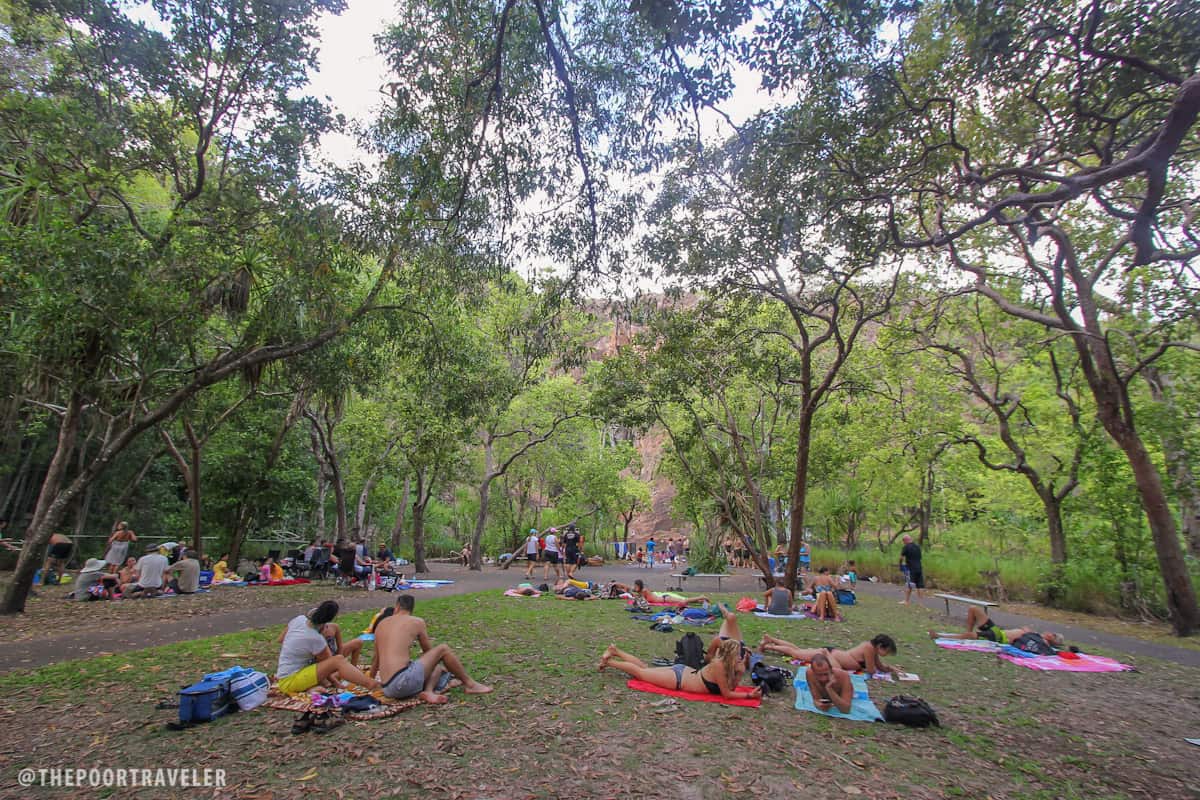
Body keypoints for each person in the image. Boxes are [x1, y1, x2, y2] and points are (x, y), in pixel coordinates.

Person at [373, 594, 493, 703]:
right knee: (442, 649)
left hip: (387, 688)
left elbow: (376, 661)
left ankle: (429, 692)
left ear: (397, 607)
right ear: (411, 609)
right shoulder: (416, 621)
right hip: (402, 684)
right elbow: (429, 652)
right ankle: (470, 684)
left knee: (436, 667)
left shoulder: (381, 624)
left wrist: (370, 683)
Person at [599, 639, 760, 700]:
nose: (740, 657)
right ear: (730, 655)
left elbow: (731, 687)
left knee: (644, 669)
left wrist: (740, 670)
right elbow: (727, 694)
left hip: (682, 673)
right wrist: (748, 695)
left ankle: (615, 651)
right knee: (640, 673)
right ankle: (609, 662)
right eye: (738, 654)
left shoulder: (726, 664)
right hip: (678, 679)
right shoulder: (718, 665)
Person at [275, 601, 380, 693]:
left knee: (338, 660)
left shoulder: (299, 619)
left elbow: (281, 640)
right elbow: (332, 664)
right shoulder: (315, 639)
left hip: (286, 673)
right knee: (338, 660)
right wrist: (336, 683)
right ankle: (370, 684)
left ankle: (311, 687)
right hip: (290, 681)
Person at [760, 634, 901, 676]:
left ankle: (771, 640)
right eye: (886, 651)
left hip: (832, 655)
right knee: (795, 653)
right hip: (828, 655)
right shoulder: (869, 649)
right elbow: (871, 670)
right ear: (880, 646)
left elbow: (880, 666)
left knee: (798, 650)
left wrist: (892, 669)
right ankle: (768, 645)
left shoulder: (872, 649)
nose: (885, 654)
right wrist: (882, 668)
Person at [929, 606, 1064, 648]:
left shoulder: (1042, 641)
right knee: (973, 609)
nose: (1048, 632)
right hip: (997, 631)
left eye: (1051, 633)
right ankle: (966, 634)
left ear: (1051, 637)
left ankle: (941, 636)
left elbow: (1047, 646)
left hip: (1000, 638)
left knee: (972, 636)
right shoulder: (1036, 635)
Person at [706, 603, 750, 667]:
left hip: (726, 652)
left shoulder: (717, 663)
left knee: (730, 618)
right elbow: (745, 665)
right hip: (734, 650)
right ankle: (725, 612)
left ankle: (725, 612)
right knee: (731, 618)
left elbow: (708, 659)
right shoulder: (739, 666)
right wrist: (746, 658)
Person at [632, 578, 709, 607]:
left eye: (636, 586)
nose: (635, 587)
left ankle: (701, 597)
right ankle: (700, 601)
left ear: (639, 586)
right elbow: (637, 596)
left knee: (684, 600)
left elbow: (642, 600)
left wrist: (635, 595)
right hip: (664, 598)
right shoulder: (641, 592)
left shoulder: (644, 591)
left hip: (666, 598)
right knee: (685, 601)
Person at [899, 534, 923, 604]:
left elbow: (901, 557)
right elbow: (920, 558)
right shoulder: (918, 547)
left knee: (909, 585)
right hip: (919, 568)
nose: (904, 543)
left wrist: (900, 565)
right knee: (920, 585)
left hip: (910, 568)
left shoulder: (906, 547)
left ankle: (906, 601)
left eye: (903, 541)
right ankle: (921, 601)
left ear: (905, 540)